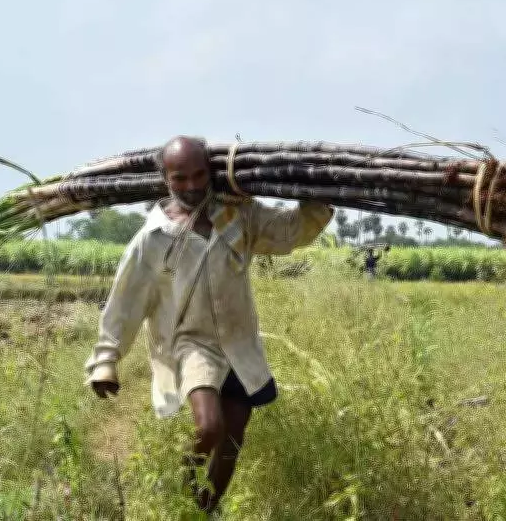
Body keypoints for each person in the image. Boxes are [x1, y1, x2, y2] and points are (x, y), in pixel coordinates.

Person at [84, 136, 333, 514]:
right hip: (190, 346)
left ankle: (206, 508)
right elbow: (125, 301)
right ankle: (179, 490)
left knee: (232, 443)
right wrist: (106, 360)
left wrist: (317, 196)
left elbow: (287, 233)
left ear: (212, 172)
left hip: (241, 344)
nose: (191, 185)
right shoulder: (151, 239)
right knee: (208, 429)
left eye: (199, 174)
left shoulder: (237, 216)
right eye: (179, 177)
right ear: (165, 178)